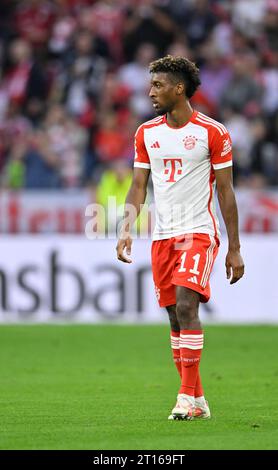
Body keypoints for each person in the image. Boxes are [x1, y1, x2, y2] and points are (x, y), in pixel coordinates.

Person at [116, 55, 245, 420]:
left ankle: (184, 398)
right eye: (150, 84)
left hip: (198, 232)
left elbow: (225, 192)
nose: (150, 91)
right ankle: (198, 399)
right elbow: (138, 185)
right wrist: (126, 227)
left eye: (157, 85)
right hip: (163, 236)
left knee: (188, 306)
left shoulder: (213, 132)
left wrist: (234, 247)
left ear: (179, 88)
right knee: (175, 317)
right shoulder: (146, 133)